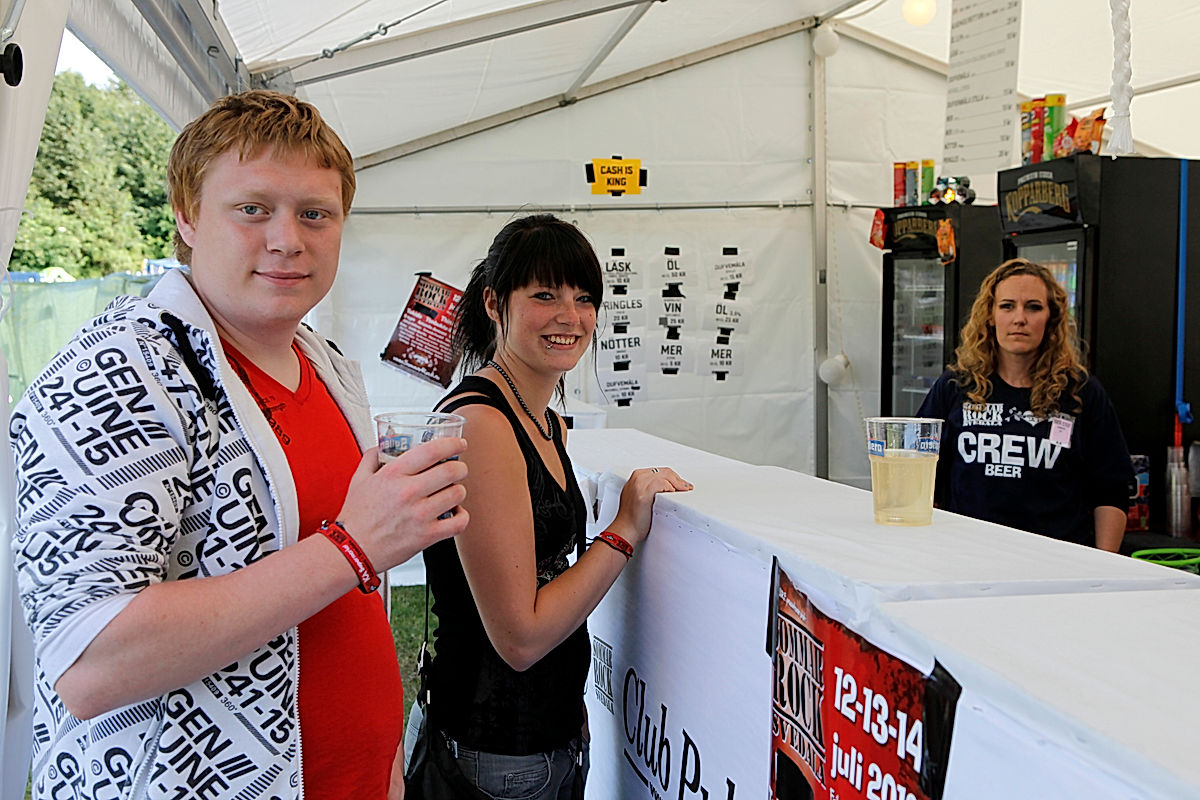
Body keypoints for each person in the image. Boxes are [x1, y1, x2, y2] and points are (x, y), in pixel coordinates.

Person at [9, 90, 468, 799]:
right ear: (188, 217)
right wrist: (352, 545)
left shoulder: (323, 361)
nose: (288, 239)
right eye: (254, 208)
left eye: (315, 213)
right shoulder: (120, 371)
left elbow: (337, 600)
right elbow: (91, 665)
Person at [412, 214, 691, 798]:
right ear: (494, 303)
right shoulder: (484, 424)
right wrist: (622, 531)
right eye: (545, 295)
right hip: (497, 752)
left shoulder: (542, 419)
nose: (571, 316)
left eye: (584, 297)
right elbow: (521, 637)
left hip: (541, 737)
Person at [917, 258, 1133, 551]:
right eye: (1007, 306)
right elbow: (918, 473)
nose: (1020, 318)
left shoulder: (1081, 392)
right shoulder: (955, 386)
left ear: (1051, 318)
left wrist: (1104, 568)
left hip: (1056, 564)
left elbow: (1112, 490)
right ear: (990, 315)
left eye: (1033, 307)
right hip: (965, 560)